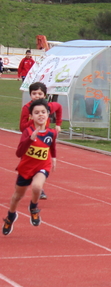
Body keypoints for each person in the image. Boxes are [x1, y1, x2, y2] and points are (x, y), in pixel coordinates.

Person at [3, 99, 57, 236]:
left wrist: (54, 157)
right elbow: (19, 153)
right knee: (17, 197)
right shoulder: (28, 131)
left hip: (43, 165)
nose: (40, 115)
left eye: (43, 112)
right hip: (26, 167)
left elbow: (52, 145)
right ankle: (11, 216)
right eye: (37, 113)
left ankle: (33, 207)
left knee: (37, 187)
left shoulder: (52, 132)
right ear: (31, 116)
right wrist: (30, 139)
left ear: (48, 114)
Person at [19, 82, 62, 200]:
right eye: (34, 94)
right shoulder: (27, 108)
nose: (37, 96)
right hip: (30, 139)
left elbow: (58, 107)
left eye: (40, 93)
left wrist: (58, 124)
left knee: (42, 162)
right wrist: (34, 121)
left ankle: (39, 187)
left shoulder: (48, 106)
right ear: (30, 95)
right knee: (28, 164)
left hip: (44, 139)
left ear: (45, 95)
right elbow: (22, 127)